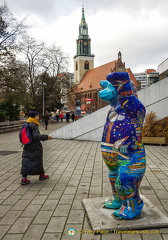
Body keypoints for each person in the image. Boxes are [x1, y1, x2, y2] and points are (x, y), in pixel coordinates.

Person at [20, 111, 53, 185]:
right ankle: (41, 175)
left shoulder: (26, 124)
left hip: (27, 145)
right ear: (34, 117)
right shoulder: (34, 125)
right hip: (34, 146)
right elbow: (36, 136)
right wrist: (46, 137)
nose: (38, 117)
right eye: (37, 116)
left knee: (26, 161)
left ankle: (24, 178)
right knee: (38, 160)